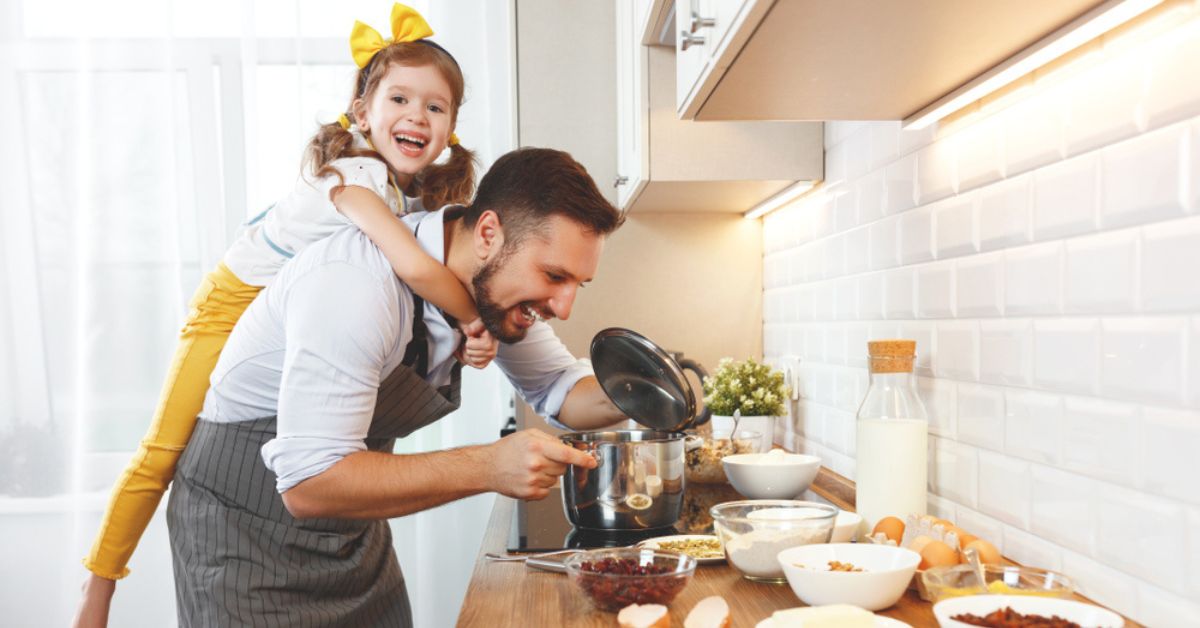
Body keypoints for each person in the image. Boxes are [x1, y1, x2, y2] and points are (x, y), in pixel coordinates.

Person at [73, 4, 497, 626]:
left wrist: (462, 336)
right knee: (163, 447)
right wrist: (473, 320)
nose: (416, 115)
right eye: (400, 98)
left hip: (281, 320)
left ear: (452, 126)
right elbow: (412, 267)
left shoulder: (412, 195)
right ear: (361, 113)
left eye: (435, 107)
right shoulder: (354, 175)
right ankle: (97, 588)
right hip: (229, 302)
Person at [167, 145, 626, 626]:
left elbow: (559, 388)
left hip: (350, 534)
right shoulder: (356, 284)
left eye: (578, 283)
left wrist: (648, 389)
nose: (565, 306)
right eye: (554, 276)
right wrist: (489, 466)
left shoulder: (490, 294)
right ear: (489, 233)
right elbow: (308, 483)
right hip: (245, 540)